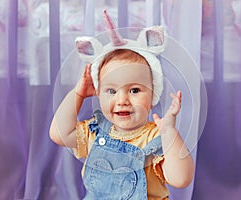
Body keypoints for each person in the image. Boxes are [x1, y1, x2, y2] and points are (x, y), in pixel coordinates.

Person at [49, 10, 194, 200]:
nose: (122, 100)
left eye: (134, 90)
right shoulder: (95, 133)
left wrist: (169, 133)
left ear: (152, 97)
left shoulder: (155, 137)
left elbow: (180, 179)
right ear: (99, 95)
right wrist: (78, 94)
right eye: (111, 91)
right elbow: (59, 134)